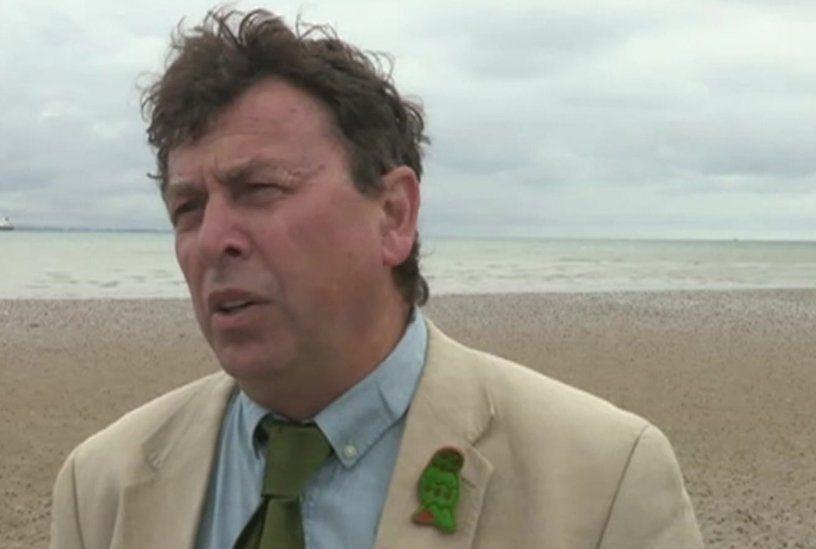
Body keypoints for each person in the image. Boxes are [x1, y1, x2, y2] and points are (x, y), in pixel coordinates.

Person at [50, 7, 703, 548]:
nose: (213, 240)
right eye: (188, 207)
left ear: (394, 215)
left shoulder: (605, 479)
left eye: (258, 188)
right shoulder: (101, 486)